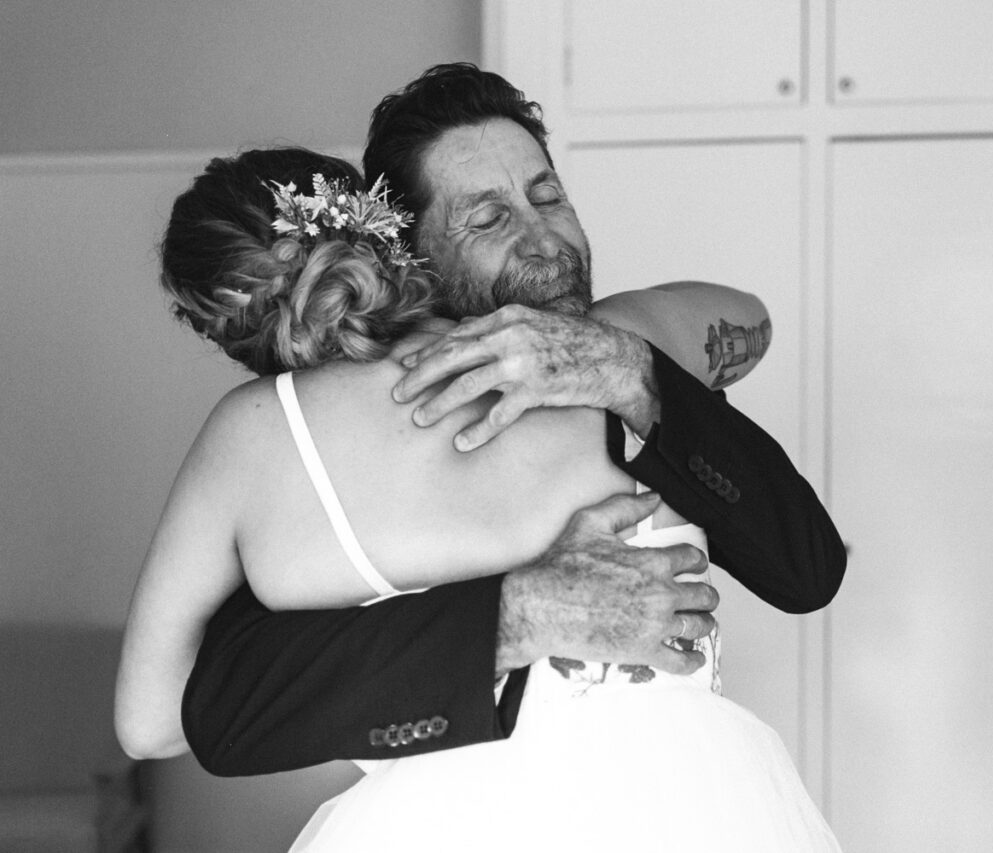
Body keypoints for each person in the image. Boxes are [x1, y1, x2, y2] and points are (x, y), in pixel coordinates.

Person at [116, 145, 842, 850]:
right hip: (690, 807)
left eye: (546, 194)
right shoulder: (607, 345)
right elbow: (749, 315)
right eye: (491, 216)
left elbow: (149, 722)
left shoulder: (251, 442)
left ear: (223, 322)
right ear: (394, 235)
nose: (535, 228)